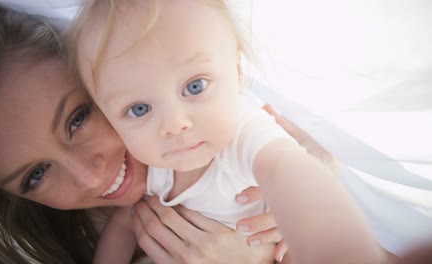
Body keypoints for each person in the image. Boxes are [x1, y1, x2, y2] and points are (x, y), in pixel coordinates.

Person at [0, 3, 331, 263]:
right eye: (35, 175)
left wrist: (312, 180)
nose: (91, 176)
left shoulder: (230, 135)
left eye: (77, 119)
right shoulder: (62, 238)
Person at [70, 0, 389, 263]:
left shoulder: (244, 134)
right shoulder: (153, 164)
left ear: (236, 74)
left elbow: (289, 171)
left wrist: (339, 250)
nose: (174, 124)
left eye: (195, 87)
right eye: (139, 109)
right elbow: (125, 223)